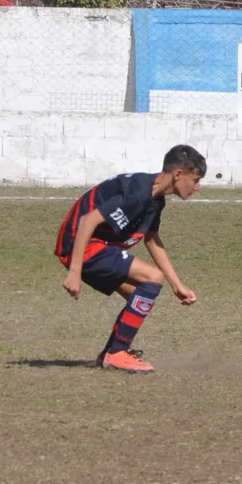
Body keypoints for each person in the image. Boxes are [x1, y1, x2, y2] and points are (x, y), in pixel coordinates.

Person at [55, 144, 206, 374]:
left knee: (140, 295)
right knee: (152, 278)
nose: (198, 187)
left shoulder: (155, 199)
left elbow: (152, 239)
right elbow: (87, 221)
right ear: (178, 175)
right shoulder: (137, 192)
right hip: (81, 245)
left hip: (95, 246)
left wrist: (178, 285)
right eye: (195, 180)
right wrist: (75, 272)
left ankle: (110, 353)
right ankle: (117, 353)